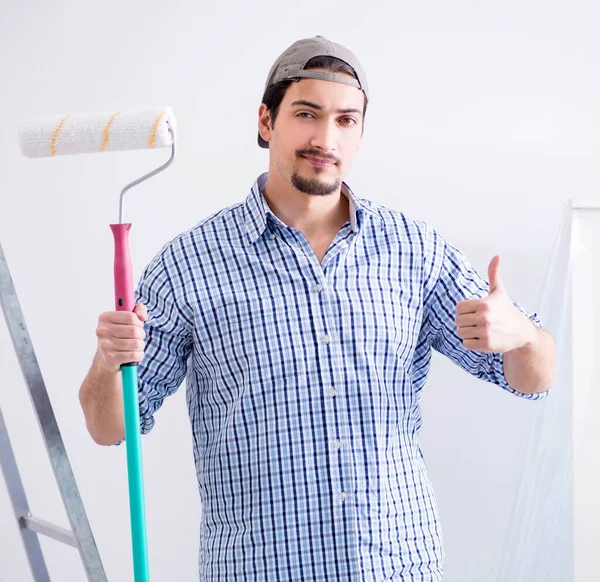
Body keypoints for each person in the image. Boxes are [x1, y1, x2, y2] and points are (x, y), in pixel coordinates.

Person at [79, 35, 556, 581]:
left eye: (346, 120)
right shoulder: (187, 265)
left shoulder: (415, 251)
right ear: (266, 121)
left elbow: (532, 380)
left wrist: (524, 336)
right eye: (307, 113)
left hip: (398, 567)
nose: (325, 137)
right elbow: (108, 426)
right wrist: (106, 362)